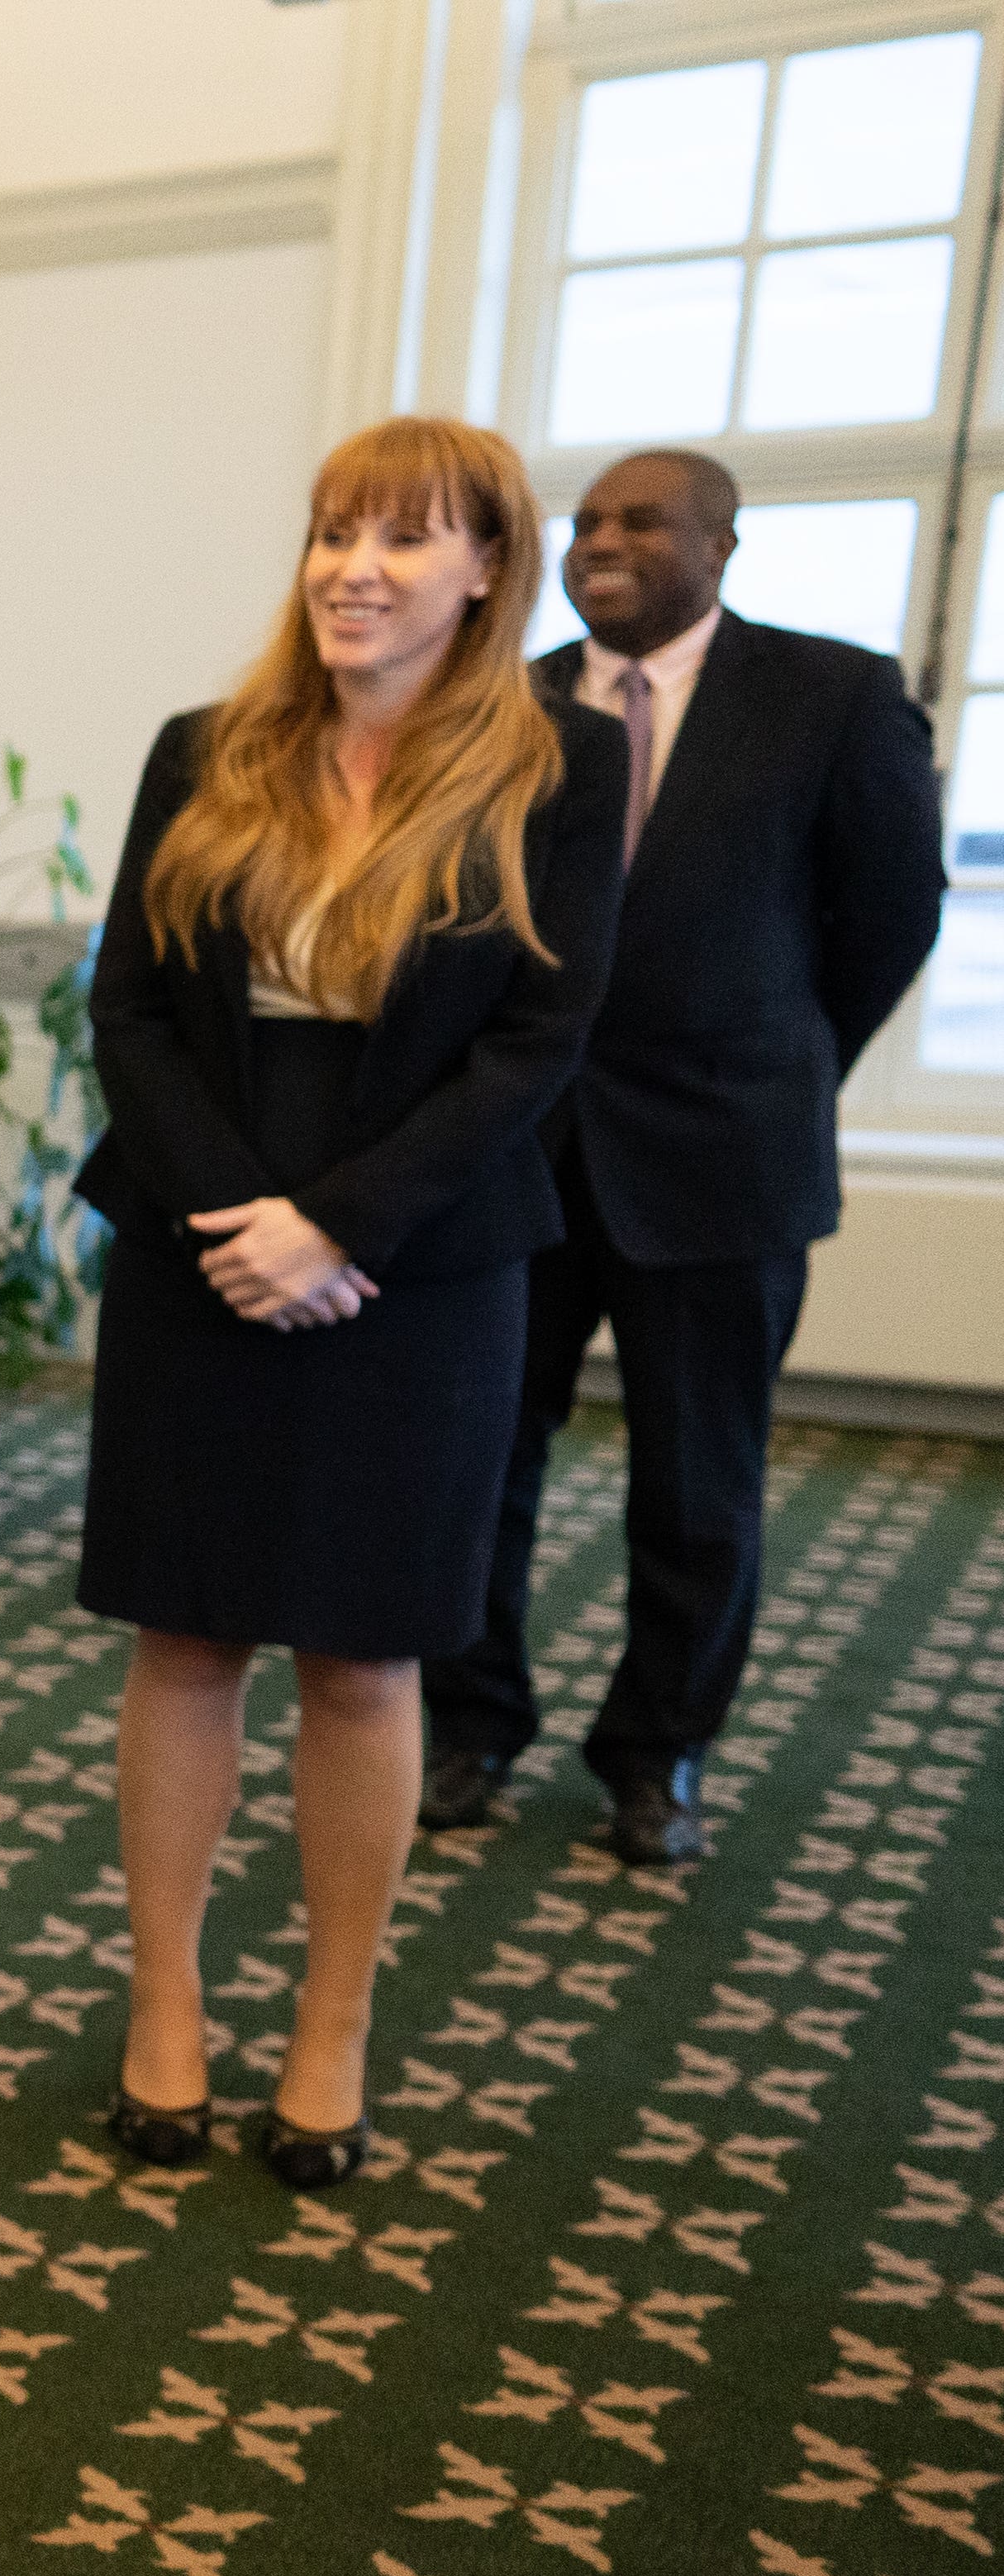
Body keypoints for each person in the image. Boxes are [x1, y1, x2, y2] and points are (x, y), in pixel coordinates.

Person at [79, 417, 625, 2193]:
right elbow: (128, 1012)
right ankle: (162, 2008)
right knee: (181, 1638)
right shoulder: (203, 747)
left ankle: (329, 2025)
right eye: (331, 533)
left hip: (418, 1257)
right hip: (197, 1230)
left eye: (401, 539)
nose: (352, 569)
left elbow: (539, 1042)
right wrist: (233, 1216)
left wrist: (332, 1224)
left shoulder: (561, 768)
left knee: (361, 1657)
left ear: (484, 571)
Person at [420, 452, 946, 1865]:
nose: (600, 541)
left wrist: (785, 1060)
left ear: (721, 542)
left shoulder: (828, 695)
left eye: (638, 520)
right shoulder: (508, 700)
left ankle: (656, 1757)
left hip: (724, 1155)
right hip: (518, 1154)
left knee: (696, 1483)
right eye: (583, 521)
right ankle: (469, 1726)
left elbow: (893, 912)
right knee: (479, 1461)